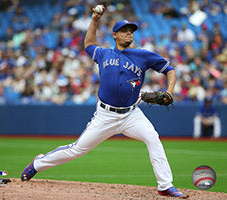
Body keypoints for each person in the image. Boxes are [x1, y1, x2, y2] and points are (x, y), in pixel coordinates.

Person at [21, 5, 184, 198]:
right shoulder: (104, 54)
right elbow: (89, 44)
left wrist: (170, 91)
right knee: (77, 149)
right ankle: (38, 164)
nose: (129, 34)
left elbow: (169, 69)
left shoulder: (143, 55)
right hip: (105, 115)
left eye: (131, 31)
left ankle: (165, 185)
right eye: (124, 31)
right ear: (114, 35)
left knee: (152, 138)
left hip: (132, 114)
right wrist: (95, 20)